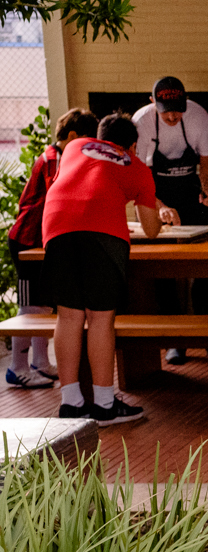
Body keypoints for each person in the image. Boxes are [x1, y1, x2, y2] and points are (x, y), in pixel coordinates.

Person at [43, 113, 162, 425]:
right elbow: (151, 230)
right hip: (103, 235)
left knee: (68, 315)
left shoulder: (76, 145)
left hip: (55, 228)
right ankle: (105, 405)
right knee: (100, 318)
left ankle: (71, 403)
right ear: (133, 146)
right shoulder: (136, 166)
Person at [132, 76, 208, 366]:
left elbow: (207, 160)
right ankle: (174, 342)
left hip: (190, 191)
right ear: (153, 103)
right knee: (164, 270)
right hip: (155, 191)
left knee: (204, 267)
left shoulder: (198, 115)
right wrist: (159, 207)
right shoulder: (141, 122)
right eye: (166, 110)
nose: (172, 115)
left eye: (177, 109)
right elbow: (138, 175)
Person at [6, 108, 98, 389]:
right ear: (72, 136)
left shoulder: (58, 157)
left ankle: (40, 362)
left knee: (43, 304)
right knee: (30, 306)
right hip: (26, 240)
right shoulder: (51, 160)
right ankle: (17, 367)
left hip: (42, 242)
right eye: (86, 141)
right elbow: (57, 198)